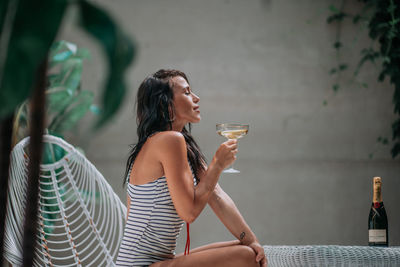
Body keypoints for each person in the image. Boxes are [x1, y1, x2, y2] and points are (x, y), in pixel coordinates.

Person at [116, 69, 266, 267]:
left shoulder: (180, 143)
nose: (196, 98)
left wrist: (252, 240)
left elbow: (217, 196)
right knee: (245, 257)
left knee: (247, 249)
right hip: (138, 265)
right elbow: (189, 213)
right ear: (166, 105)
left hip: (160, 261)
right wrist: (218, 164)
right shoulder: (168, 141)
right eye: (187, 93)